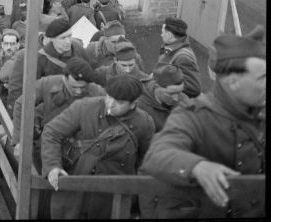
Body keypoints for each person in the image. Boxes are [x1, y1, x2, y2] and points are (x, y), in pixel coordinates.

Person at [140, 27, 266, 219]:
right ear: (233, 82)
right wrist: (197, 166)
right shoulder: (193, 115)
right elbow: (157, 155)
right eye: (263, 78)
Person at [41, 75, 155, 219]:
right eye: (109, 96)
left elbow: (146, 161)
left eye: (119, 102)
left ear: (133, 104)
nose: (111, 103)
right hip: (77, 185)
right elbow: (52, 132)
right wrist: (52, 166)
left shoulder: (144, 122)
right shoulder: (84, 107)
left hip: (114, 195)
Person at [12, 57, 105, 171]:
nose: (78, 91)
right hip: (49, 142)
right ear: (64, 78)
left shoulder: (97, 91)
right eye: (74, 87)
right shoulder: (47, 84)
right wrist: (19, 140)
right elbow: (21, 104)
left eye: (83, 87)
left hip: (80, 148)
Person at [156, 17, 201, 98]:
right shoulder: (169, 47)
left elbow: (193, 88)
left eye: (162, 32)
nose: (161, 35)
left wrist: (165, 88)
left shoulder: (183, 57)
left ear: (169, 35)